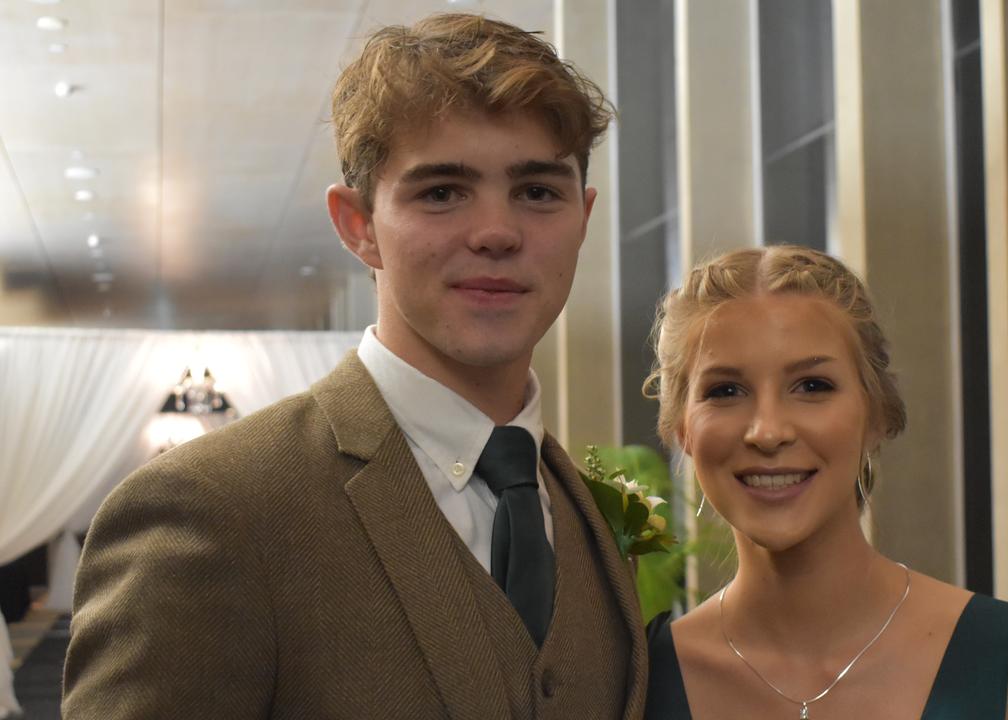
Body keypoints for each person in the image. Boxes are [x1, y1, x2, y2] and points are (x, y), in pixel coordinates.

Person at [63, 14, 647, 719]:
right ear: (357, 226)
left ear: (583, 218)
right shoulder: (211, 508)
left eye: (537, 192)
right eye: (441, 192)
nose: (497, 231)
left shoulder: (586, 518)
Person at [643, 245, 1008, 719]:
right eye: (725, 391)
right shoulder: (638, 686)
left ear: (877, 414)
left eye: (812, 386)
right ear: (681, 429)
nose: (768, 431)